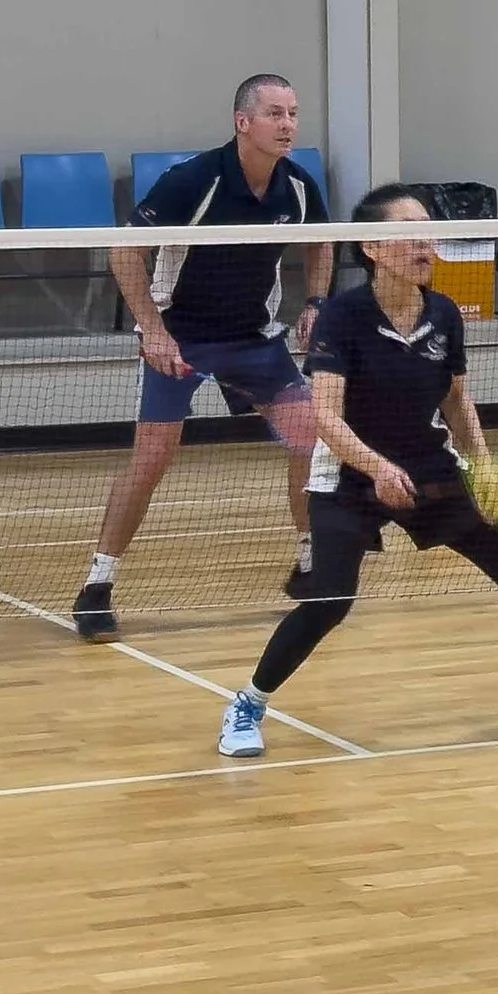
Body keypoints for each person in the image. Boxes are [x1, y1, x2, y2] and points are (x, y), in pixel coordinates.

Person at [216, 184, 498, 758]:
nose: (425, 244)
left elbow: (455, 398)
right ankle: (248, 703)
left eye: (428, 232)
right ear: (372, 247)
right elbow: (324, 416)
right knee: (329, 601)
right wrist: (375, 467)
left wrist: (482, 464)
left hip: (432, 470)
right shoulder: (343, 318)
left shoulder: (442, 312)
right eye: (408, 233)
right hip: (348, 478)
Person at [72, 75, 333, 641]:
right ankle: (97, 585)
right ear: (244, 122)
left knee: (311, 439)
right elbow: (125, 251)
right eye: (274, 114)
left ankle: (312, 566)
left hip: (253, 340)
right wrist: (153, 330)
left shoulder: (300, 187)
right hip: (181, 339)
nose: (288, 124)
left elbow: (324, 241)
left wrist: (315, 301)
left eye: (293, 113)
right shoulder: (193, 180)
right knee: (153, 460)